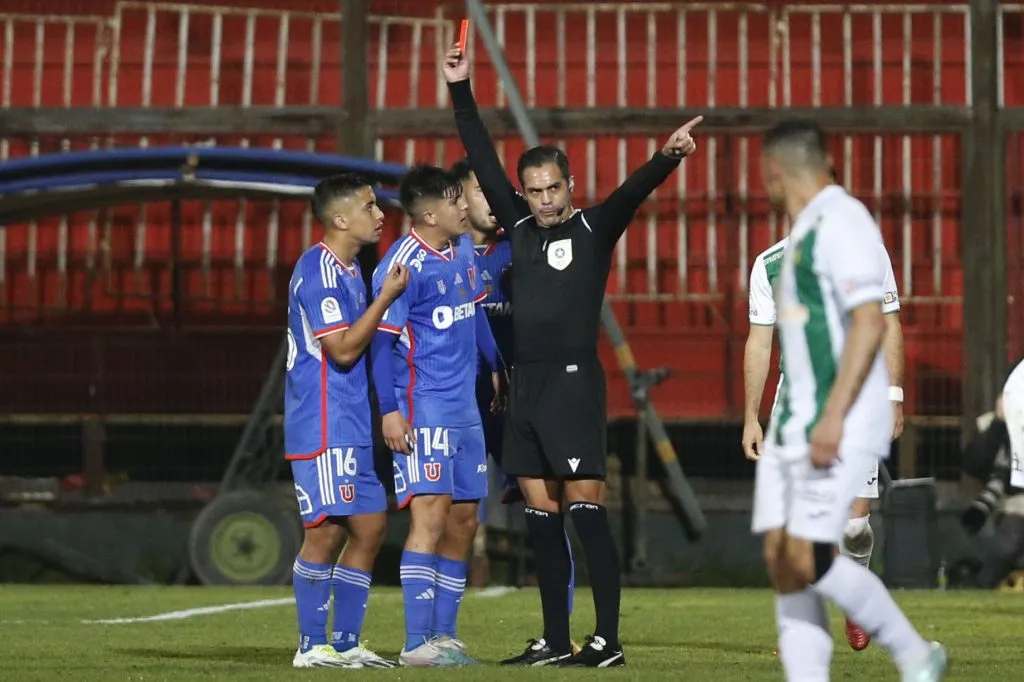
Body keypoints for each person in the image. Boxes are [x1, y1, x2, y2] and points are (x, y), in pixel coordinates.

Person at [443, 44, 700, 667]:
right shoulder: (520, 230)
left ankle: (607, 640)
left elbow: (632, 195)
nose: (545, 200)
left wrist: (666, 157)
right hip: (523, 386)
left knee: (585, 510)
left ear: (570, 186)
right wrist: (460, 88)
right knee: (539, 515)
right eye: (533, 191)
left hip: (573, 383)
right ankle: (556, 641)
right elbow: (478, 149)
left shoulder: (592, 229)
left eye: (553, 188)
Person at [751, 120, 948, 681]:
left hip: (832, 416)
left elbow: (871, 321)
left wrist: (842, 413)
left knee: (806, 553)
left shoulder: (844, 224)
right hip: (796, 415)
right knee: (784, 560)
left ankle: (913, 652)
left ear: (778, 172)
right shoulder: (798, 240)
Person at [743, 213, 905, 651]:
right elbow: (759, 341)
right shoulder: (770, 264)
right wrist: (751, 416)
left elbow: (889, 321)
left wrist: (894, 392)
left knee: (854, 528)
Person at [369, 164, 503, 667]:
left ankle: (444, 636)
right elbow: (381, 349)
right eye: (454, 201)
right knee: (429, 516)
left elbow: (476, 312)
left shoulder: (464, 249)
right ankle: (416, 643)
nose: (464, 206)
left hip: (466, 408)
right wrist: (389, 412)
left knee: (465, 519)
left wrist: (495, 366)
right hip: (424, 409)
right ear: (429, 214)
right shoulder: (402, 266)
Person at [284, 173, 408, 669]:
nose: (380, 215)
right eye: (370, 206)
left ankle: (347, 642)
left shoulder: (352, 270)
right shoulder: (319, 271)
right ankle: (311, 646)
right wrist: (386, 299)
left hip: (351, 419)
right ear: (340, 219)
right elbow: (340, 349)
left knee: (372, 526)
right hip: (322, 419)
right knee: (325, 531)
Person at [450, 158, 579, 626]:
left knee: (545, 507)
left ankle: (560, 628)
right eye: (480, 191)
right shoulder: (444, 256)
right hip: (458, 401)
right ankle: (433, 632)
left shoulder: (522, 248)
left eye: (496, 191)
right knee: (449, 515)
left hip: (518, 403)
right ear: (458, 200)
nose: (492, 201)